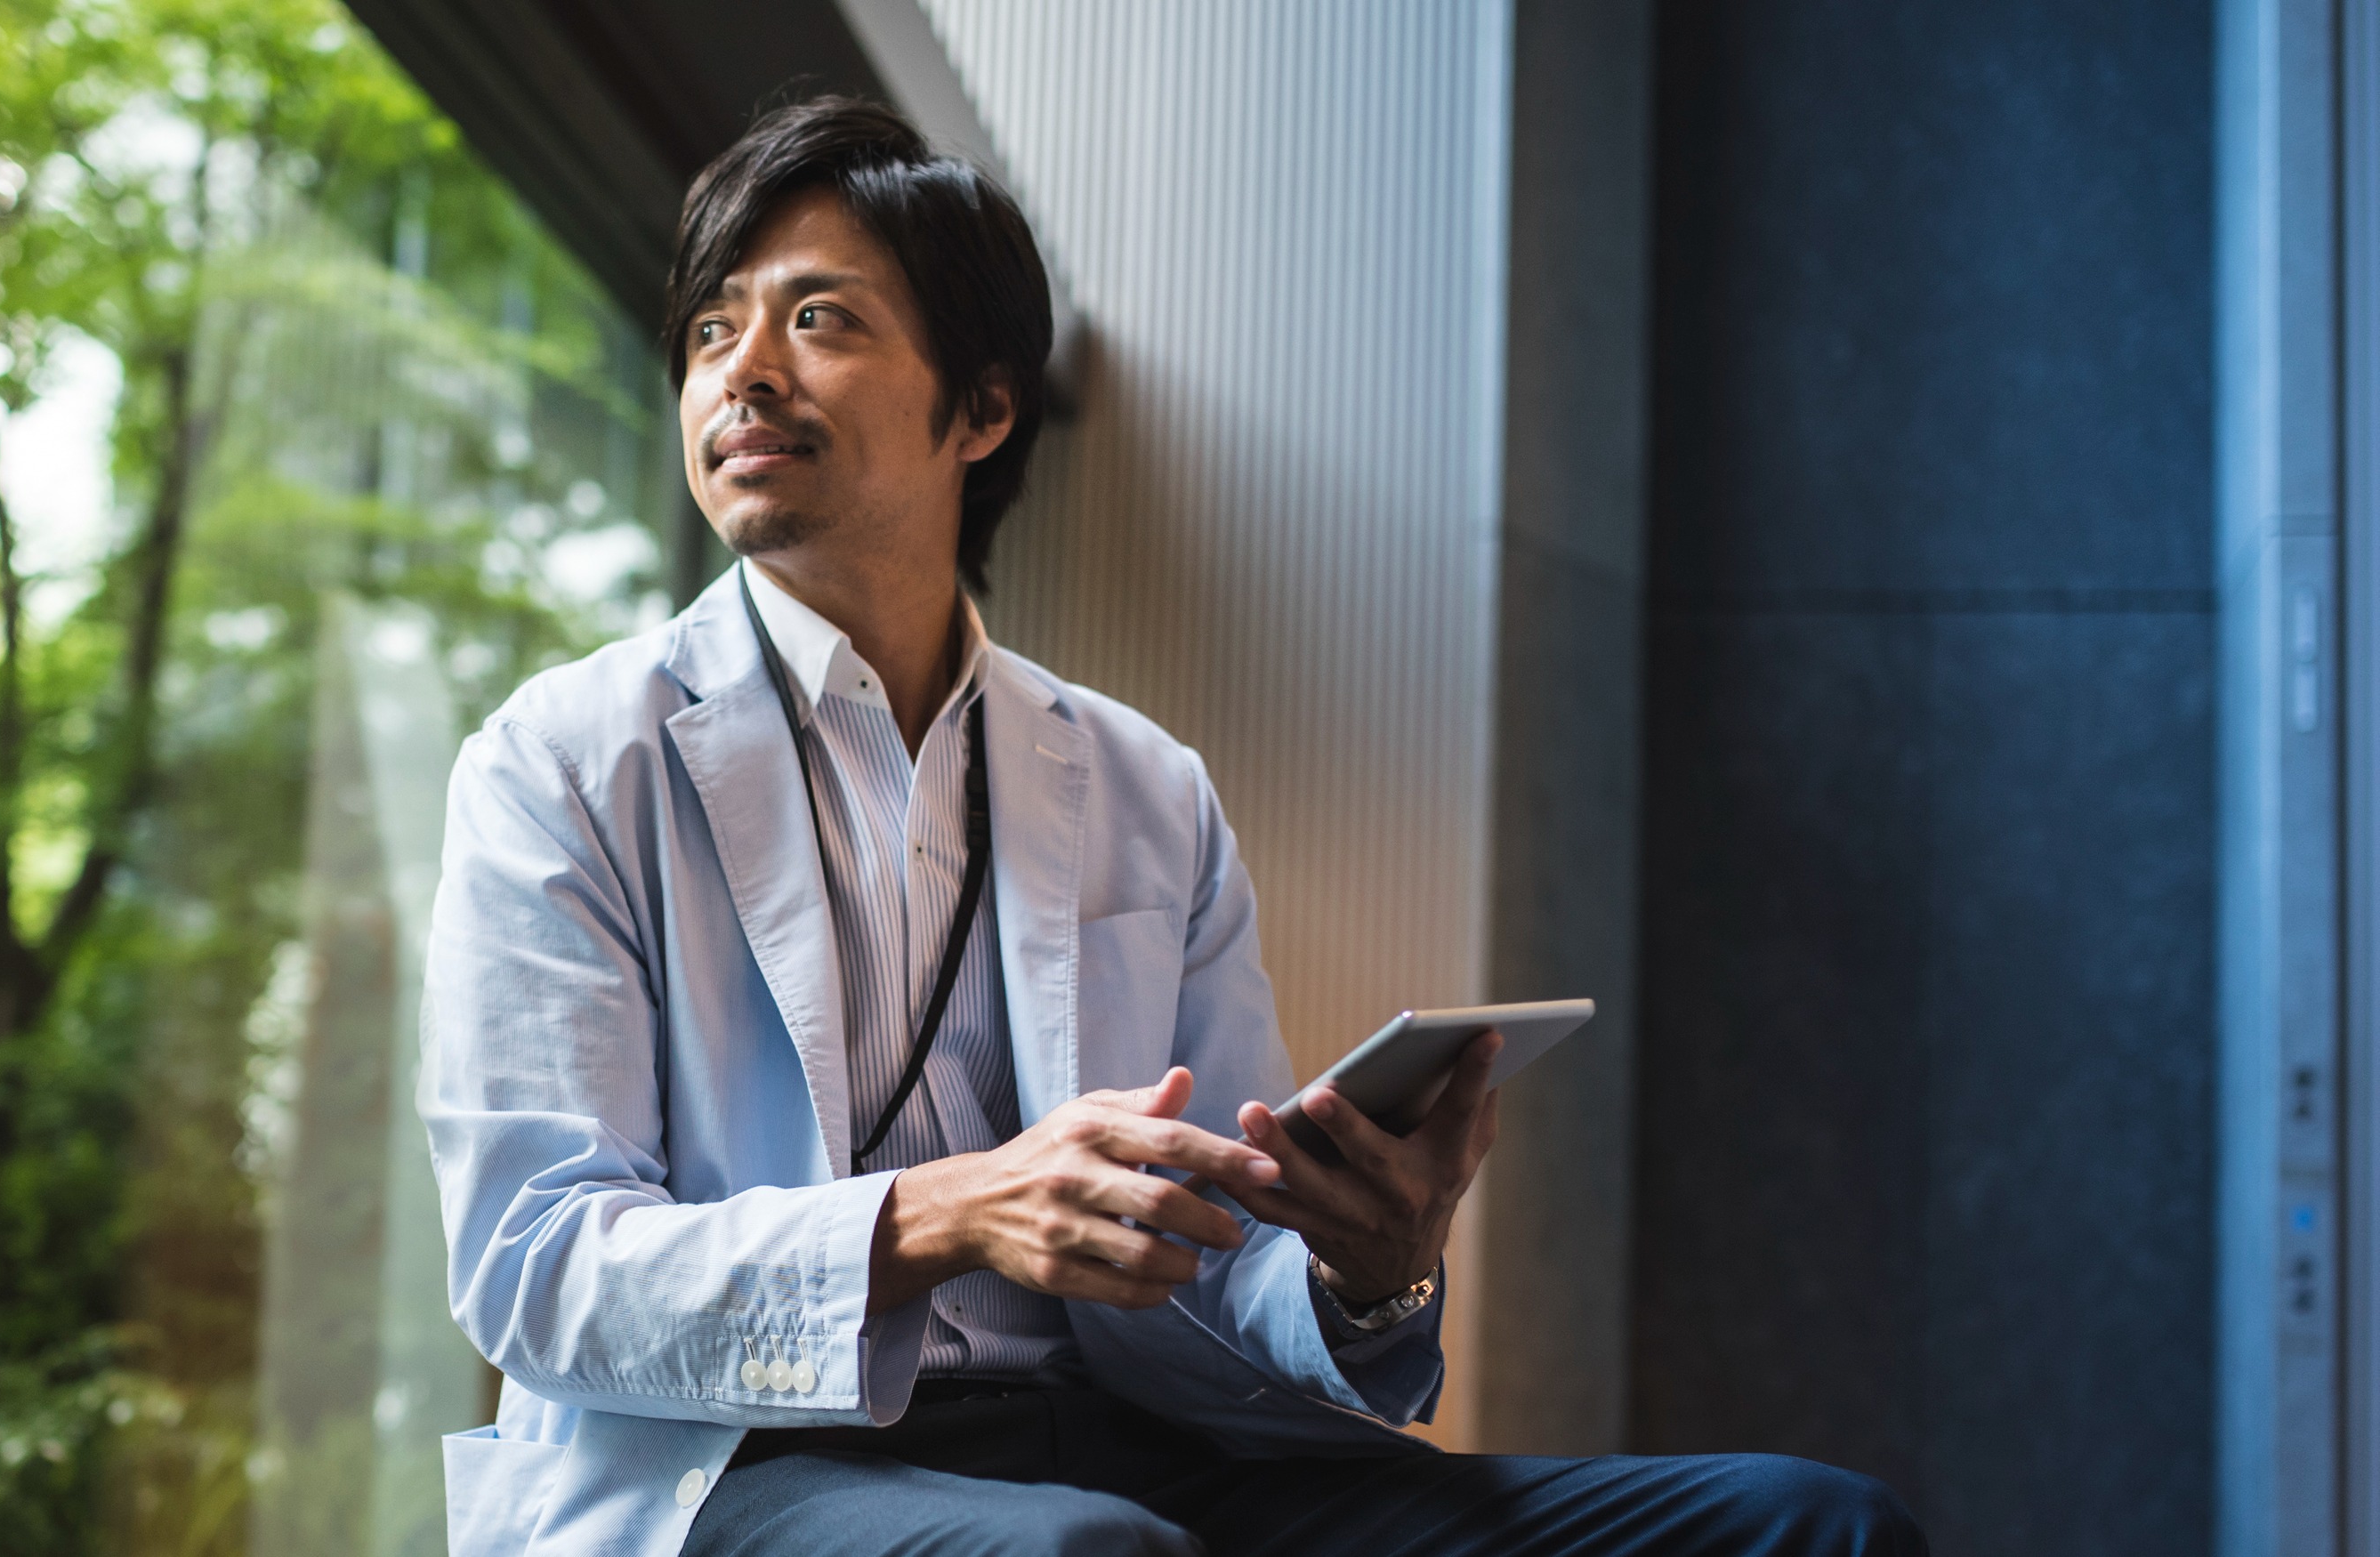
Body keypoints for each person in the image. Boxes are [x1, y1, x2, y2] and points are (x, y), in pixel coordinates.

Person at [420, 96, 1924, 1557]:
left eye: (817, 319)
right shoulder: (560, 761)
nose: (740, 370)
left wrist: (1364, 1271)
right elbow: (533, 1268)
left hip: (1136, 1443)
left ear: (985, 408)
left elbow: (1212, 1263)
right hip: (739, 1466)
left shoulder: (1144, 786)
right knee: (1092, 1548)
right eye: (709, 328)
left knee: (1809, 1520)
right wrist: (945, 1212)